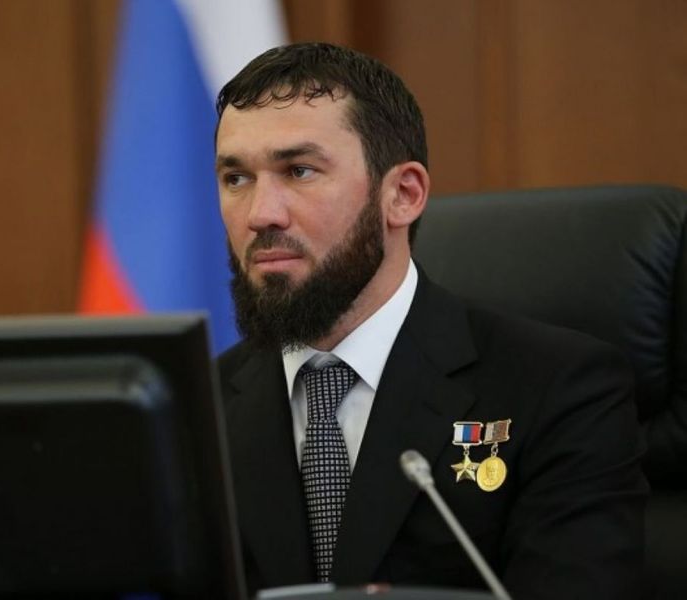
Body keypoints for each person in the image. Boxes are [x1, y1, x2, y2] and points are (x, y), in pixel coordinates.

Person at [214, 42, 646, 599]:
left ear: (403, 194)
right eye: (236, 178)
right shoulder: (194, 407)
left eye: (299, 171)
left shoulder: (560, 388)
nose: (260, 214)